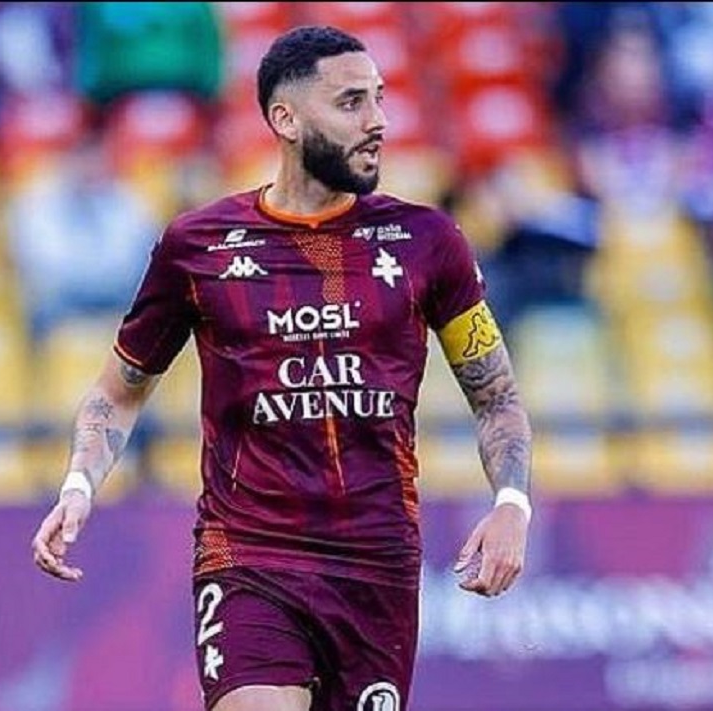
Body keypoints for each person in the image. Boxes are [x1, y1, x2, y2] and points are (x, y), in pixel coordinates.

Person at [31, 26, 533, 711]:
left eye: (379, 99)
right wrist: (79, 484)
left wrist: (511, 503)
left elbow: (496, 395)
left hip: (376, 566)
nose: (378, 121)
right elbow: (119, 392)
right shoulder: (198, 246)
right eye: (351, 102)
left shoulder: (428, 242)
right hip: (251, 555)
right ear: (285, 119)